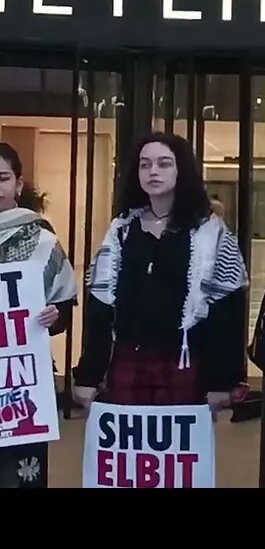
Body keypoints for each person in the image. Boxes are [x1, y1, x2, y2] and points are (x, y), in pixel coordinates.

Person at [73, 133, 248, 414]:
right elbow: (100, 307)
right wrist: (88, 376)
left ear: (182, 169)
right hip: (127, 359)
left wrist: (223, 380)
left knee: (180, 457)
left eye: (164, 163)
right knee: (127, 456)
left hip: (185, 361)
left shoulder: (212, 233)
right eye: (145, 164)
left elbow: (228, 309)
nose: (153, 171)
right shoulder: (121, 230)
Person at [0, 143, 76, 488]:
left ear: (18, 183)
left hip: (20, 377)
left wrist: (53, 315)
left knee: (20, 472)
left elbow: (64, 306)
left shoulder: (41, 237)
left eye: (2, 178)